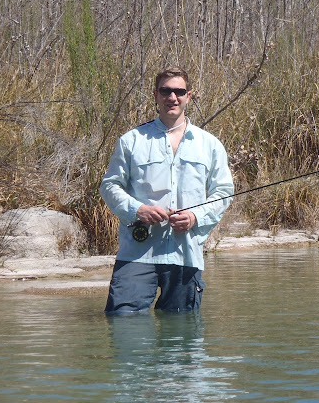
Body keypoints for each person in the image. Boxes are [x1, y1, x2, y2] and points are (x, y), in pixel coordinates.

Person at [100, 67, 234, 314]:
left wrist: (195, 217)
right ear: (155, 95)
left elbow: (224, 191)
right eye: (166, 91)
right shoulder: (131, 140)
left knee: (181, 337)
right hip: (137, 253)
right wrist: (137, 210)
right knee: (123, 320)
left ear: (189, 96)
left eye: (179, 91)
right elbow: (109, 185)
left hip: (186, 255)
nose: (172, 97)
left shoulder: (211, 145)